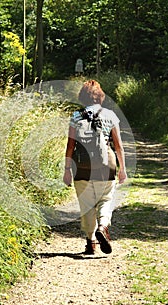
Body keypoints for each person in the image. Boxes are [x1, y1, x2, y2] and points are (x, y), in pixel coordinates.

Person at [63, 80, 127, 255]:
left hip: (81, 167)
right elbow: (119, 145)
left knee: (87, 205)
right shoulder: (111, 115)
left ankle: (90, 241)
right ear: (100, 96)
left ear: (83, 97)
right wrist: (122, 169)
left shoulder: (76, 116)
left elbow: (70, 146)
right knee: (106, 199)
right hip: (106, 166)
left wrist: (67, 169)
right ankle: (103, 226)